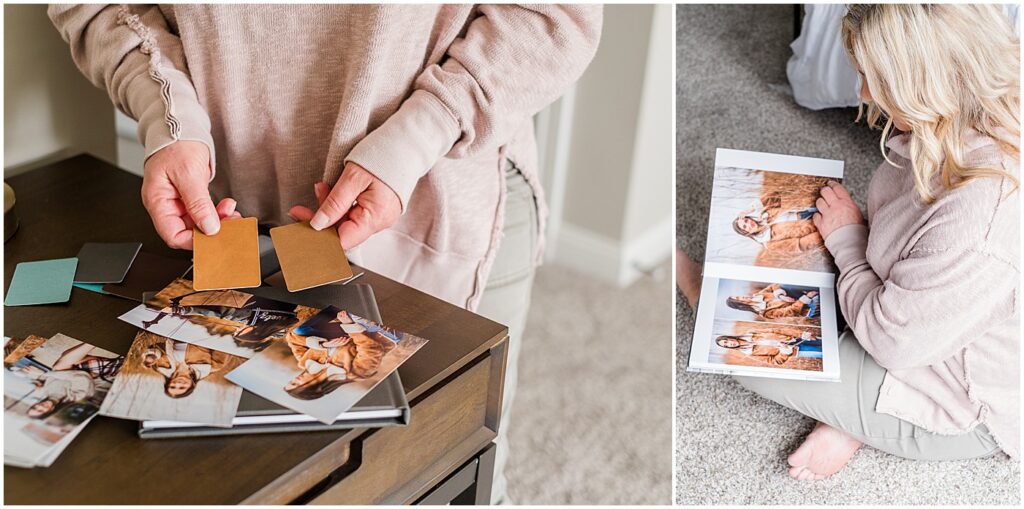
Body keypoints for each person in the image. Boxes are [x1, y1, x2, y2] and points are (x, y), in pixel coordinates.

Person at [49, 6, 601, 500]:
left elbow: (556, 19)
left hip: (440, 193)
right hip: (230, 205)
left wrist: (416, 136)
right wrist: (166, 116)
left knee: (450, 462)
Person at [684, 4, 1019, 481]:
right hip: (922, 310)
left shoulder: (979, 225)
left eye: (870, 77)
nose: (862, 93)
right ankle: (852, 411)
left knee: (743, 353)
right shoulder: (959, 124)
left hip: (961, 396)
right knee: (799, 280)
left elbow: (891, 343)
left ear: (922, 84)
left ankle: (859, 419)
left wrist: (846, 240)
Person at [143, 290, 300, 350]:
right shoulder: (250, 319)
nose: (237, 328)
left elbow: (219, 313)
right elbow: (219, 313)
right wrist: (182, 310)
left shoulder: (279, 331)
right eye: (240, 331)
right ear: (249, 332)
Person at [142, 338, 231, 398]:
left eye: (172, 386)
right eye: (182, 387)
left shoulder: (161, 368)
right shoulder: (213, 366)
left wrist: (151, 356)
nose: (178, 384)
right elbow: (223, 342)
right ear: (192, 386)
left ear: (168, 383)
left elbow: (158, 348)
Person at [732, 195, 823, 254]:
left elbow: (774, 196)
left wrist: (748, 210)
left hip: (808, 209)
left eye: (746, 220)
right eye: (745, 226)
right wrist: (820, 235)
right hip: (816, 226)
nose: (748, 224)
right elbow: (799, 245)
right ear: (745, 232)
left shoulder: (764, 215)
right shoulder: (769, 243)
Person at [715, 327, 818, 366]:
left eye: (727, 340)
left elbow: (777, 330)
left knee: (822, 340)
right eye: (726, 345)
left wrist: (802, 334)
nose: (729, 343)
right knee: (821, 351)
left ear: (729, 337)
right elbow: (774, 361)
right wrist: (784, 353)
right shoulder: (749, 354)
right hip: (797, 349)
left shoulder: (751, 332)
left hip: (796, 338)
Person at [725, 283, 820, 320]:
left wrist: (780, 295)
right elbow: (790, 312)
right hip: (805, 308)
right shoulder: (764, 312)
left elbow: (774, 285)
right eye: (738, 299)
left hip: (798, 298)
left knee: (785, 285)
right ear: (740, 305)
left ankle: (816, 289)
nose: (741, 297)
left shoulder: (758, 296)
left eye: (738, 296)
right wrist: (805, 298)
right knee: (816, 298)